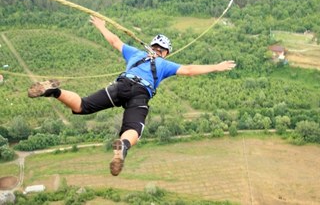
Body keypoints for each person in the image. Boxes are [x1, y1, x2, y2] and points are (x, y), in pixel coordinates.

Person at [27, 16, 236, 176]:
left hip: (121, 85)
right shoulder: (164, 64)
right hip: (140, 94)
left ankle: (54, 90)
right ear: (166, 51)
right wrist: (216, 67)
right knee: (132, 129)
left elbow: (114, 41)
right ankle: (123, 146)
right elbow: (189, 69)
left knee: (82, 105)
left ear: (153, 46)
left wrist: (101, 26)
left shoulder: (136, 54)